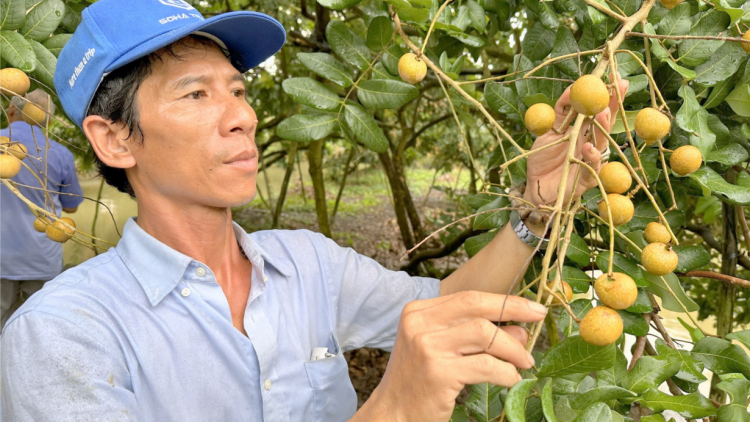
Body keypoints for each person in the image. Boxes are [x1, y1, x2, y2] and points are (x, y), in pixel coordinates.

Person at [0, 0, 627, 420]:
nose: (243, 115)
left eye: (239, 91)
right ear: (114, 139)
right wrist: (393, 407)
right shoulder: (62, 334)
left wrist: (536, 209)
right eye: (196, 93)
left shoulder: (308, 263)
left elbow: (447, 301)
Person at [0, 89, 83, 330]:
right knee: (39, 328)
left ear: (12, 110)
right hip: (42, 258)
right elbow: (72, 207)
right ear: (46, 119)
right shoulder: (60, 153)